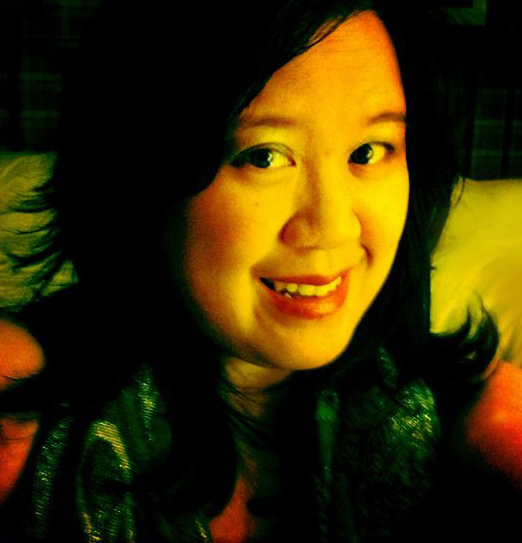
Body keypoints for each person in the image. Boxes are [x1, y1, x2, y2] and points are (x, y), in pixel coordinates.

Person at [1, 1, 521, 541]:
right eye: (264, 157)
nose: (333, 228)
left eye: (368, 152)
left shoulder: (473, 407)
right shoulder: (24, 407)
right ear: (139, 177)